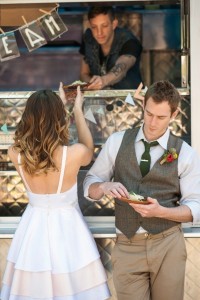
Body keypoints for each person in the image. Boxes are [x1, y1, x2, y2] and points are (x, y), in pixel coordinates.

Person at [83, 80, 200, 300]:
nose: (153, 122)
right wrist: (105, 186)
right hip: (127, 246)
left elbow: (196, 206)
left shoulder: (186, 153)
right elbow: (89, 185)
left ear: (174, 115)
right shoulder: (117, 142)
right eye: (149, 113)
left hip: (168, 245)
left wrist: (161, 212)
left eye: (161, 117)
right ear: (143, 106)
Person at [0, 84, 110, 300]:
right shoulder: (75, 154)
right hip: (68, 230)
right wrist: (76, 109)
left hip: (33, 229)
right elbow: (88, 148)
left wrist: (58, 106)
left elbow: (39, 146)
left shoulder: (16, 153)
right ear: (60, 118)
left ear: (28, 116)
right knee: (72, 290)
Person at [79, 6, 143, 90]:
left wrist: (103, 81)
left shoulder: (130, 41)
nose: (99, 32)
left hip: (129, 99)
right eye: (94, 27)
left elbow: (122, 67)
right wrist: (92, 85)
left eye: (104, 26)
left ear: (114, 24)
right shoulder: (88, 38)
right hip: (99, 100)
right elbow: (84, 73)